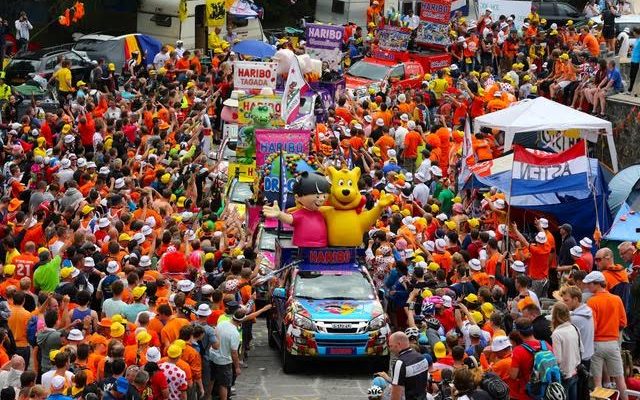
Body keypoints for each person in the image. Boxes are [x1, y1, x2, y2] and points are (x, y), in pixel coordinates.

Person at [584, 271, 628, 400]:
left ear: (596, 284)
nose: (587, 287)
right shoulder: (616, 299)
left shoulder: (592, 302)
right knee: (620, 379)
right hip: (613, 343)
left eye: (589, 284)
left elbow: (593, 326)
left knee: (598, 382)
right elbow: (623, 323)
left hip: (597, 344)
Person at [377, 331, 429, 400]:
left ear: (398, 344)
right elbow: (425, 386)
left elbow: (396, 395)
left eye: (391, 346)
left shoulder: (400, 363)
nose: (390, 349)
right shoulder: (422, 358)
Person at [550, 302, 581, 400]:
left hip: (564, 374)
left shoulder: (557, 334)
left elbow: (558, 359)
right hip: (575, 370)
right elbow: (581, 349)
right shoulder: (574, 328)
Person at [210, 309, 243, 400]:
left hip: (212, 356)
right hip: (224, 361)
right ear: (240, 321)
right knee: (224, 384)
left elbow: (214, 338)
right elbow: (234, 353)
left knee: (211, 380)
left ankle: (207, 397)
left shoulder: (221, 324)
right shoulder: (235, 333)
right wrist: (237, 367)